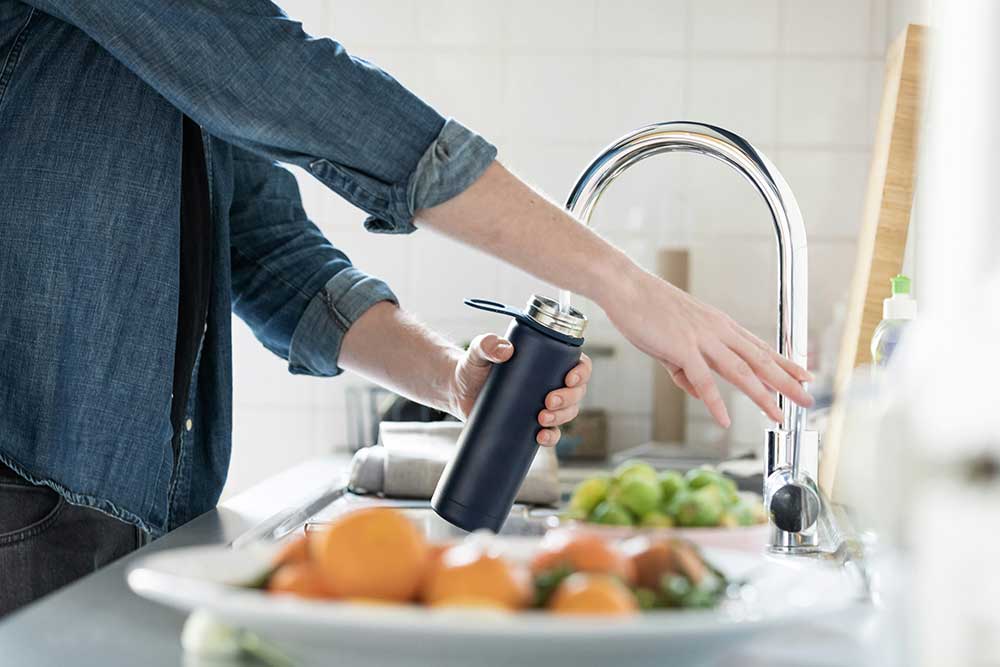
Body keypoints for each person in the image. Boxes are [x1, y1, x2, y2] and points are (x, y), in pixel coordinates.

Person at [0, 1, 813, 615]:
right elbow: (291, 83)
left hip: (140, 515)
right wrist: (622, 284)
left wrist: (452, 379)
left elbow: (268, 252)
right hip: (22, 509)